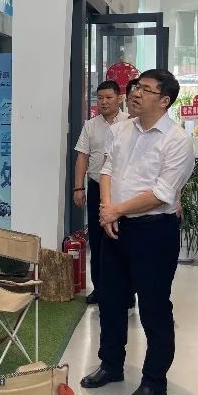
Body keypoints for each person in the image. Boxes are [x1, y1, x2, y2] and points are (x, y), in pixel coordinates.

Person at [80, 70, 195, 395]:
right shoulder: (121, 129)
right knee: (111, 299)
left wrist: (115, 210)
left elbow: (162, 193)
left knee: (154, 306)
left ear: (164, 100)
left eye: (146, 89)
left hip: (153, 231)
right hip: (115, 227)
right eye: (136, 87)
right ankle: (111, 364)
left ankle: (154, 382)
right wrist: (107, 210)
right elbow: (107, 170)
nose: (136, 93)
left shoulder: (177, 140)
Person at [73, 80, 129, 304]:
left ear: (119, 98)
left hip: (123, 191)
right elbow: (82, 157)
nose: (104, 102)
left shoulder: (129, 122)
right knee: (97, 240)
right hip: (97, 187)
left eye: (109, 97)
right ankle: (99, 289)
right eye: (100, 98)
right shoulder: (90, 125)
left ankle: (127, 292)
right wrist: (79, 187)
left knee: (123, 240)